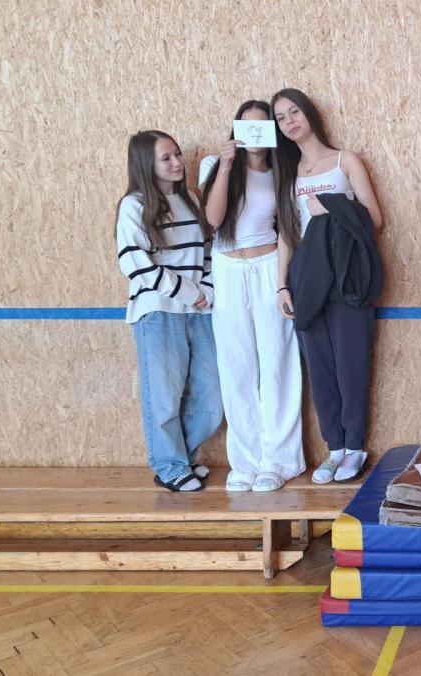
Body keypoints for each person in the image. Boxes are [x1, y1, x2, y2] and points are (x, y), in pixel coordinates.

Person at [271, 87, 384, 485]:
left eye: (294, 112)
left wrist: (331, 205)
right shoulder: (288, 176)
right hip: (306, 277)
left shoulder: (344, 161)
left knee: (351, 362)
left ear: (309, 113)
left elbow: (374, 218)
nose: (289, 121)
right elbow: (287, 234)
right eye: (281, 118)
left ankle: (354, 447)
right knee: (318, 365)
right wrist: (282, 286)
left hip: (347, 274)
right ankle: (334, 447)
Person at [198, 100, 304, 492]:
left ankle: (280, 460)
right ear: (236, 129)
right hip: (227, 269)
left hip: (267, 266)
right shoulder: (215, 165)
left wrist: (281, 284)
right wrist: (227, 166)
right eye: (247, 126)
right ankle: (244, 462)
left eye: (263, 125)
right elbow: (213, 220)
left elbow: (286, 231)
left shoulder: (282, 172)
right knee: (236, 367)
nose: (255, 133)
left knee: (277, 363)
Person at [115, 130, 222, 492]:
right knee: (164, 396)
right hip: (159, 311)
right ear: (146, 164)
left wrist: (206, 291)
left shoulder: (191, 199)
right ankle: (169, 465)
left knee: (212, 396)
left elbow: (210, 250)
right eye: (166, 158)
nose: (177, 162)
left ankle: (181, 458)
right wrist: (188, 293)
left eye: (177, 154)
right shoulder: (134, 205)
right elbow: (135, 264)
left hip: (200, 311)